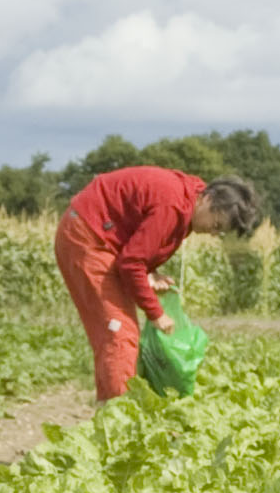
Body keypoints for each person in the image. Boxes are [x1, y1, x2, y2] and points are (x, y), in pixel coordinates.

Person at [54, 168, 263, 400]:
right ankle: (117, 419)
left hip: (101, 234)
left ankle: (113, 409)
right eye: (216, 225)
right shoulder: (173, 205)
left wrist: (150, 272)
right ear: (208, 199)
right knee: (119, 334)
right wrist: (156, 313)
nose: (213, 234)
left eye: (220, 232)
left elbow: (139, 241)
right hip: (87, 235)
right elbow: (131, 263)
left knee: (117, 335)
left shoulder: (186, 201)